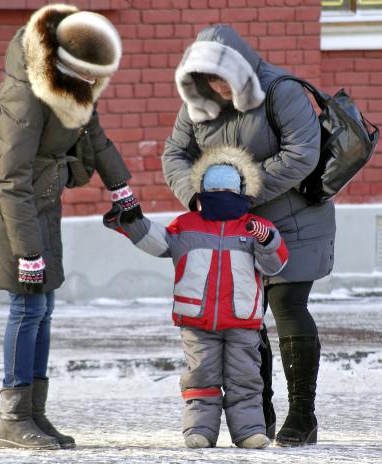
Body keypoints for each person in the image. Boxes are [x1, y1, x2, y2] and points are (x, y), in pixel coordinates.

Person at [0, 4, 141, 450]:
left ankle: (35, 413)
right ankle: (13, 419)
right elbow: (10, 178)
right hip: (10, 205)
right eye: (88, 77)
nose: (93, 86)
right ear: (65, 65)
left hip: (41, 198)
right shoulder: (24, 95)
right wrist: (27, 251)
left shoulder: (74, 82)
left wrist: (121, 187)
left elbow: (95, 137)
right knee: (26, 307)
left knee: (44, 308)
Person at [162, 24, 336, 447]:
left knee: (287, 304)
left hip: (295, 220)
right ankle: (262, 412)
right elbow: (175, 154)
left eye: (222, 77)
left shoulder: (281, 92)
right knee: (244, 315)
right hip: (232, 230)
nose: (216, 87)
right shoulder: (197, 103)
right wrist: (197, 197)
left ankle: (302, 414)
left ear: (241, 71)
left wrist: (241, 192)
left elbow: (302, 154)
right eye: (207, 79)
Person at [104, 146, 289, 449]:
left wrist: (267, 241)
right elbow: (159, 242)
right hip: (196, 321)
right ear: (201, 191)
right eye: (213, 189)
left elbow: (276, 263)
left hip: (242, 320)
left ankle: (248, 431)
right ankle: (200, 430)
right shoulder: (186, 225)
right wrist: (132, 222)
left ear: (243, 191)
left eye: (227, 190)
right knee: (200, 375)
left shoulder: (254, 228)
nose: (220, 194)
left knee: (245, 378)